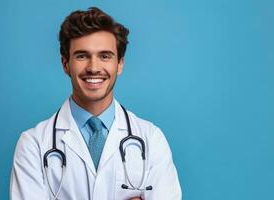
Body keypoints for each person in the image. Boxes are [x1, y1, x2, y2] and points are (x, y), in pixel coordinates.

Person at [10, 7, 181, 200]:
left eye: (105, 56)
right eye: (82, 56)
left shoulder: (151, 139)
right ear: (66, 64)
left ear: (120, 64)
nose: (93, 68)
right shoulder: (33, 145)